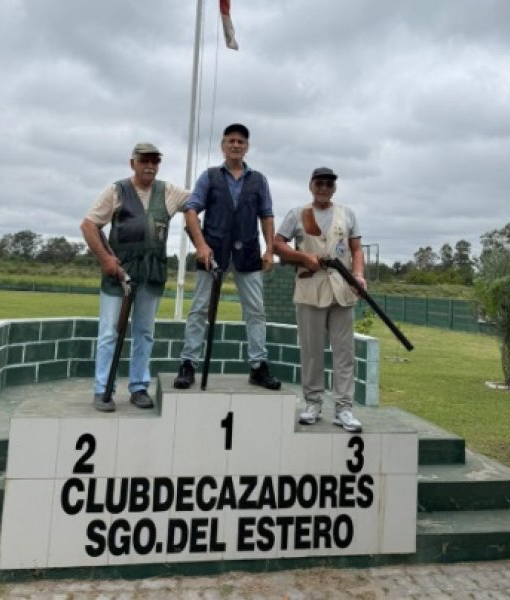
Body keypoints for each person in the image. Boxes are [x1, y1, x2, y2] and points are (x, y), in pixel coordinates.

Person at [81, 142, 191, 412]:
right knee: (109, 332)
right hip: (119, 274)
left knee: (145, 332)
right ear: (133, 163)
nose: (150, 166)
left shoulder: (169, 192)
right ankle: (102, 389)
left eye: (155, 161)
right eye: (144, 161)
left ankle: (139, 387)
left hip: (152, 273)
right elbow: (89, 225)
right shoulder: (116, 190)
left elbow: (199, 200)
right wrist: (106, 259)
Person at [173, 123, 281, 390]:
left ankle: (258, 366)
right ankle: (188, 364)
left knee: (256, 311)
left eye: (241, 142)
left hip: (249, 253)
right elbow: (190, 211)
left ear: (246, 147)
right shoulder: (209, 177)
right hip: (212, 253)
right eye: (231, 141)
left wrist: (270, 249)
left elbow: (266, 215)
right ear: (223, 145)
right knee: (199, 309)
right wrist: (200, 245)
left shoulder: (259, 180)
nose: (236, 145)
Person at [272, 167, 366, 432]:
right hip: (310, 288)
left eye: (329, 184)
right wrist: (303, 258)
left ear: (334, 188)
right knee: (312, 352)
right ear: (311, 185)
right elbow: (278, 244)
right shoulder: (297, 214)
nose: (324, 188)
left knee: (344, 352)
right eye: (319, 183)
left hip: (342, 288)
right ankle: (312, 402)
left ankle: (344, 408)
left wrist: (358, 275)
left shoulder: (347, 214)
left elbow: (356, 249)